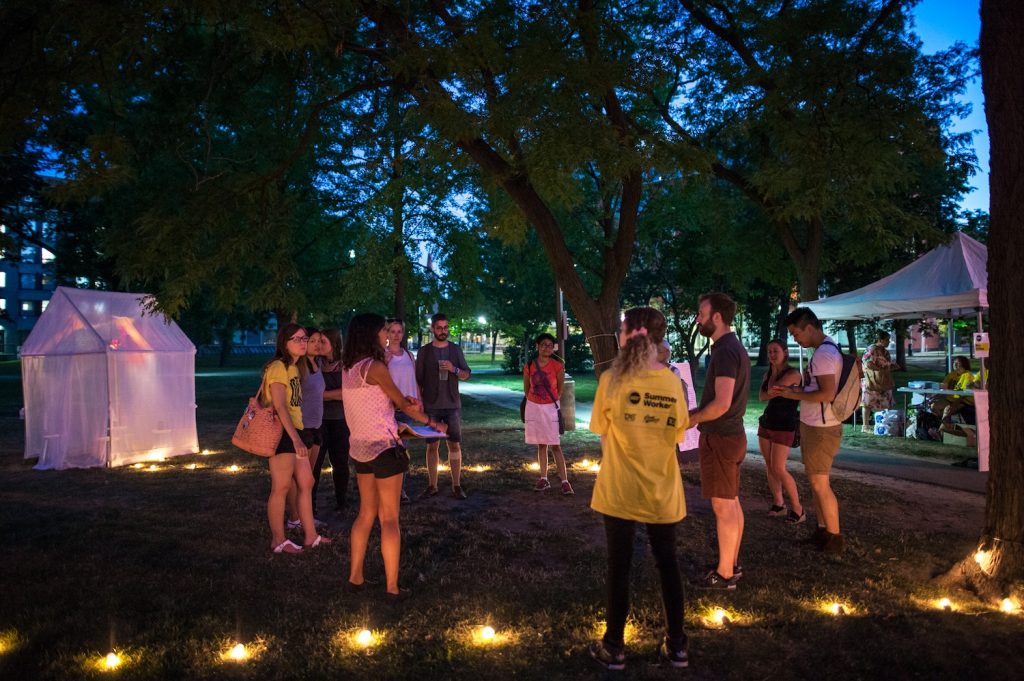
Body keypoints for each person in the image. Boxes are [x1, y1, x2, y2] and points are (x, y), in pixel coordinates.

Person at [588, 307, 690, 671]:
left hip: (619, 489)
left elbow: (602, 430)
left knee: (620, 566)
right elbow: (677, 434)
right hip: (662, 489)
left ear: (628, 335)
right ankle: (677, 645)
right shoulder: (673, 383)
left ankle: (614, 646)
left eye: (620, 329)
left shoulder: (610, 380)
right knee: (668, 564)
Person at [342, 313, 447, 599]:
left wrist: (401, 405)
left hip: (360, 448)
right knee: (389, 519)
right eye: (383, 330)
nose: (386, 335)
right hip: (385, 448)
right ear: (371, 334)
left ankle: (356, 576)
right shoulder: (374, 367)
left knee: (365, 514)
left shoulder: (348, 367)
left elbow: (378, 403)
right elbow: (403, 404)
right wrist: (433, 423)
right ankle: (391, 586)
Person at [688, 292, 751, 589]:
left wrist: (692, 418)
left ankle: (725, 575)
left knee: (723, 507)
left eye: (701, 313)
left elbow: (722, 403)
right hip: (732, 436)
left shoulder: (725, 351)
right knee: (732, 503)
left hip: (721, 437)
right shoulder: (731, 347)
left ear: (717, 317)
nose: (697, 319)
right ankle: (731, 562)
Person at [772, 307, 845, 555]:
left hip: (822, 428)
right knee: (816, 483)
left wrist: (795, 394)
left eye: (795, 333)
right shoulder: (827, 349)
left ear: (809, 328)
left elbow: (826, 393)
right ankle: (823, 531)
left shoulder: (824, 355)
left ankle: (834, 540)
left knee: (820, 483)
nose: (794, 339)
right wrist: (795, 393)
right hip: (816, 425)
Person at [262, 323, 328, 554]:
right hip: (283, 433)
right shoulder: (279, 367)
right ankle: (278, 540)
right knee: (280, 487)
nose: (303, 342)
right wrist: (296, 439)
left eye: (304, 338)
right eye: (297, 339)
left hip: (296, 430)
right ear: (284, 343)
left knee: (306, 482)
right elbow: (279, 405)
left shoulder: (294, 367)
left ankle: (311, 536)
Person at [414, 313, 472, 500]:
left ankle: (456, 485)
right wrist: (420, 401)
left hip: (452, 405)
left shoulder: (455, 350)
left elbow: (466, 374)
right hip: (431, 405)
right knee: (432, 446)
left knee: (454, 445)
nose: (442, 331)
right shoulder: (424, 351)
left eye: (445, 327)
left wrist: (453, 369)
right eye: (439, 328)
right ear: (432, 329)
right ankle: (433, 485)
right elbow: (418, 379)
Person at [757, 339, 805, 523]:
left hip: (784, 425)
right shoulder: (769, 373)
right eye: (769, 352)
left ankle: (798, 509)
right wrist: (771, 381)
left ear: (785, 352)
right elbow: (763, 396)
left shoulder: (792, 373)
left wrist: (772, 381)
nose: (771, 355)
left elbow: (770, 390)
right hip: (767, 422)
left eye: (775, 351)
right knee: (769, 465)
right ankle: (779, 504)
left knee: (778, 467)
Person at [286, 328, 326, 529]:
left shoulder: (317, 364)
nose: (318, 344)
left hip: (317, 425)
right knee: (298, 478)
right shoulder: (298, 367)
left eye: (320, 341)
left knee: (309, 478)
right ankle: (294, 518)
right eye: (312, 341)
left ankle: (306, 516)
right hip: (303, 427)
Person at [523, 333, 573, 495]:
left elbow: (560, 388)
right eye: (543, 344)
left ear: (553, 349)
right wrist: (533, 400)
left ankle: (565, 481)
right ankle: (544, 479)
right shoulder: (530, 365)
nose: (546, 348)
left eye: (550, 345)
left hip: (550, 407)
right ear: (537, 346)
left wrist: (553, 401)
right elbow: (526, 387)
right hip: (534, 406)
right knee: (541, 444)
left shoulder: (557, 366)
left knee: (555, 445)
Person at [313, 328, 352, 513]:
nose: (319, 345)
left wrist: (321, 395)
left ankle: (341, 501)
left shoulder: (346, 365)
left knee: (340, 463)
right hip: (318, 421)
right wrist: (330, 395)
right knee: (315, 464)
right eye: (318, 341)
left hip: (340, 420)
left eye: (323, 341)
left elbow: (346, 393)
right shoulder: (314, 363)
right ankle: (310, 504)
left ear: (334, 344)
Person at [385, 319, 417, 504]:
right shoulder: (383, 355)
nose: (396, 335)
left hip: (408, 407)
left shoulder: (409, 355)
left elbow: (413, 380)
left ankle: (401, 491)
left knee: (403, 450)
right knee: (389, 450)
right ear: (387, 334)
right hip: (390, 408)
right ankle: (387, 489)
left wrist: (417, 399)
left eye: (399, 331)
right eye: (392, 331)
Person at [860, 331, 897, 433]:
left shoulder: (885, 352)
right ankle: (865, 426)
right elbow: (867, 364)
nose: (889, 342)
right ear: (880, 340)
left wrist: (893, 367)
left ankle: (881, 425)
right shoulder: (872, 349)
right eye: (887, 340)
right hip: (872, 381)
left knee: (884, 404)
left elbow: (886, 365)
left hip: (884, 381)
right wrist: (880, 370)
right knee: (867, 404)